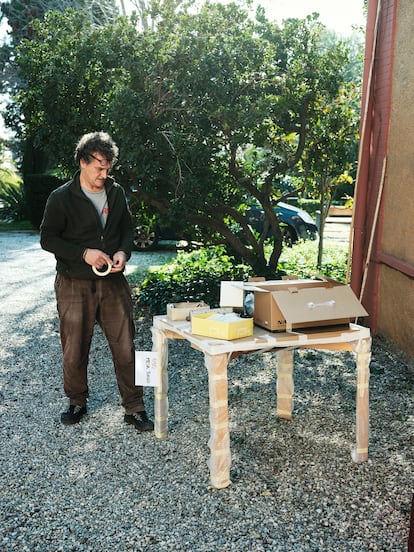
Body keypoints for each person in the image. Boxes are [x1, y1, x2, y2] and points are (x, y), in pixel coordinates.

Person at [40, 131, 153, 431]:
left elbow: (127, 231)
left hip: (114, 284)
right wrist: (83, 253)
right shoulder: (60, 197)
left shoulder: (116, 193)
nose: (104, 174)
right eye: (99, 167)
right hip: (74, 283)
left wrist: (122, 252)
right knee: (74, 347)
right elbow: (47, 238)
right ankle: (76, 402)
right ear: (82, 162)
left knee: (127, 346)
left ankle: (135, 407)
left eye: (108, 168)